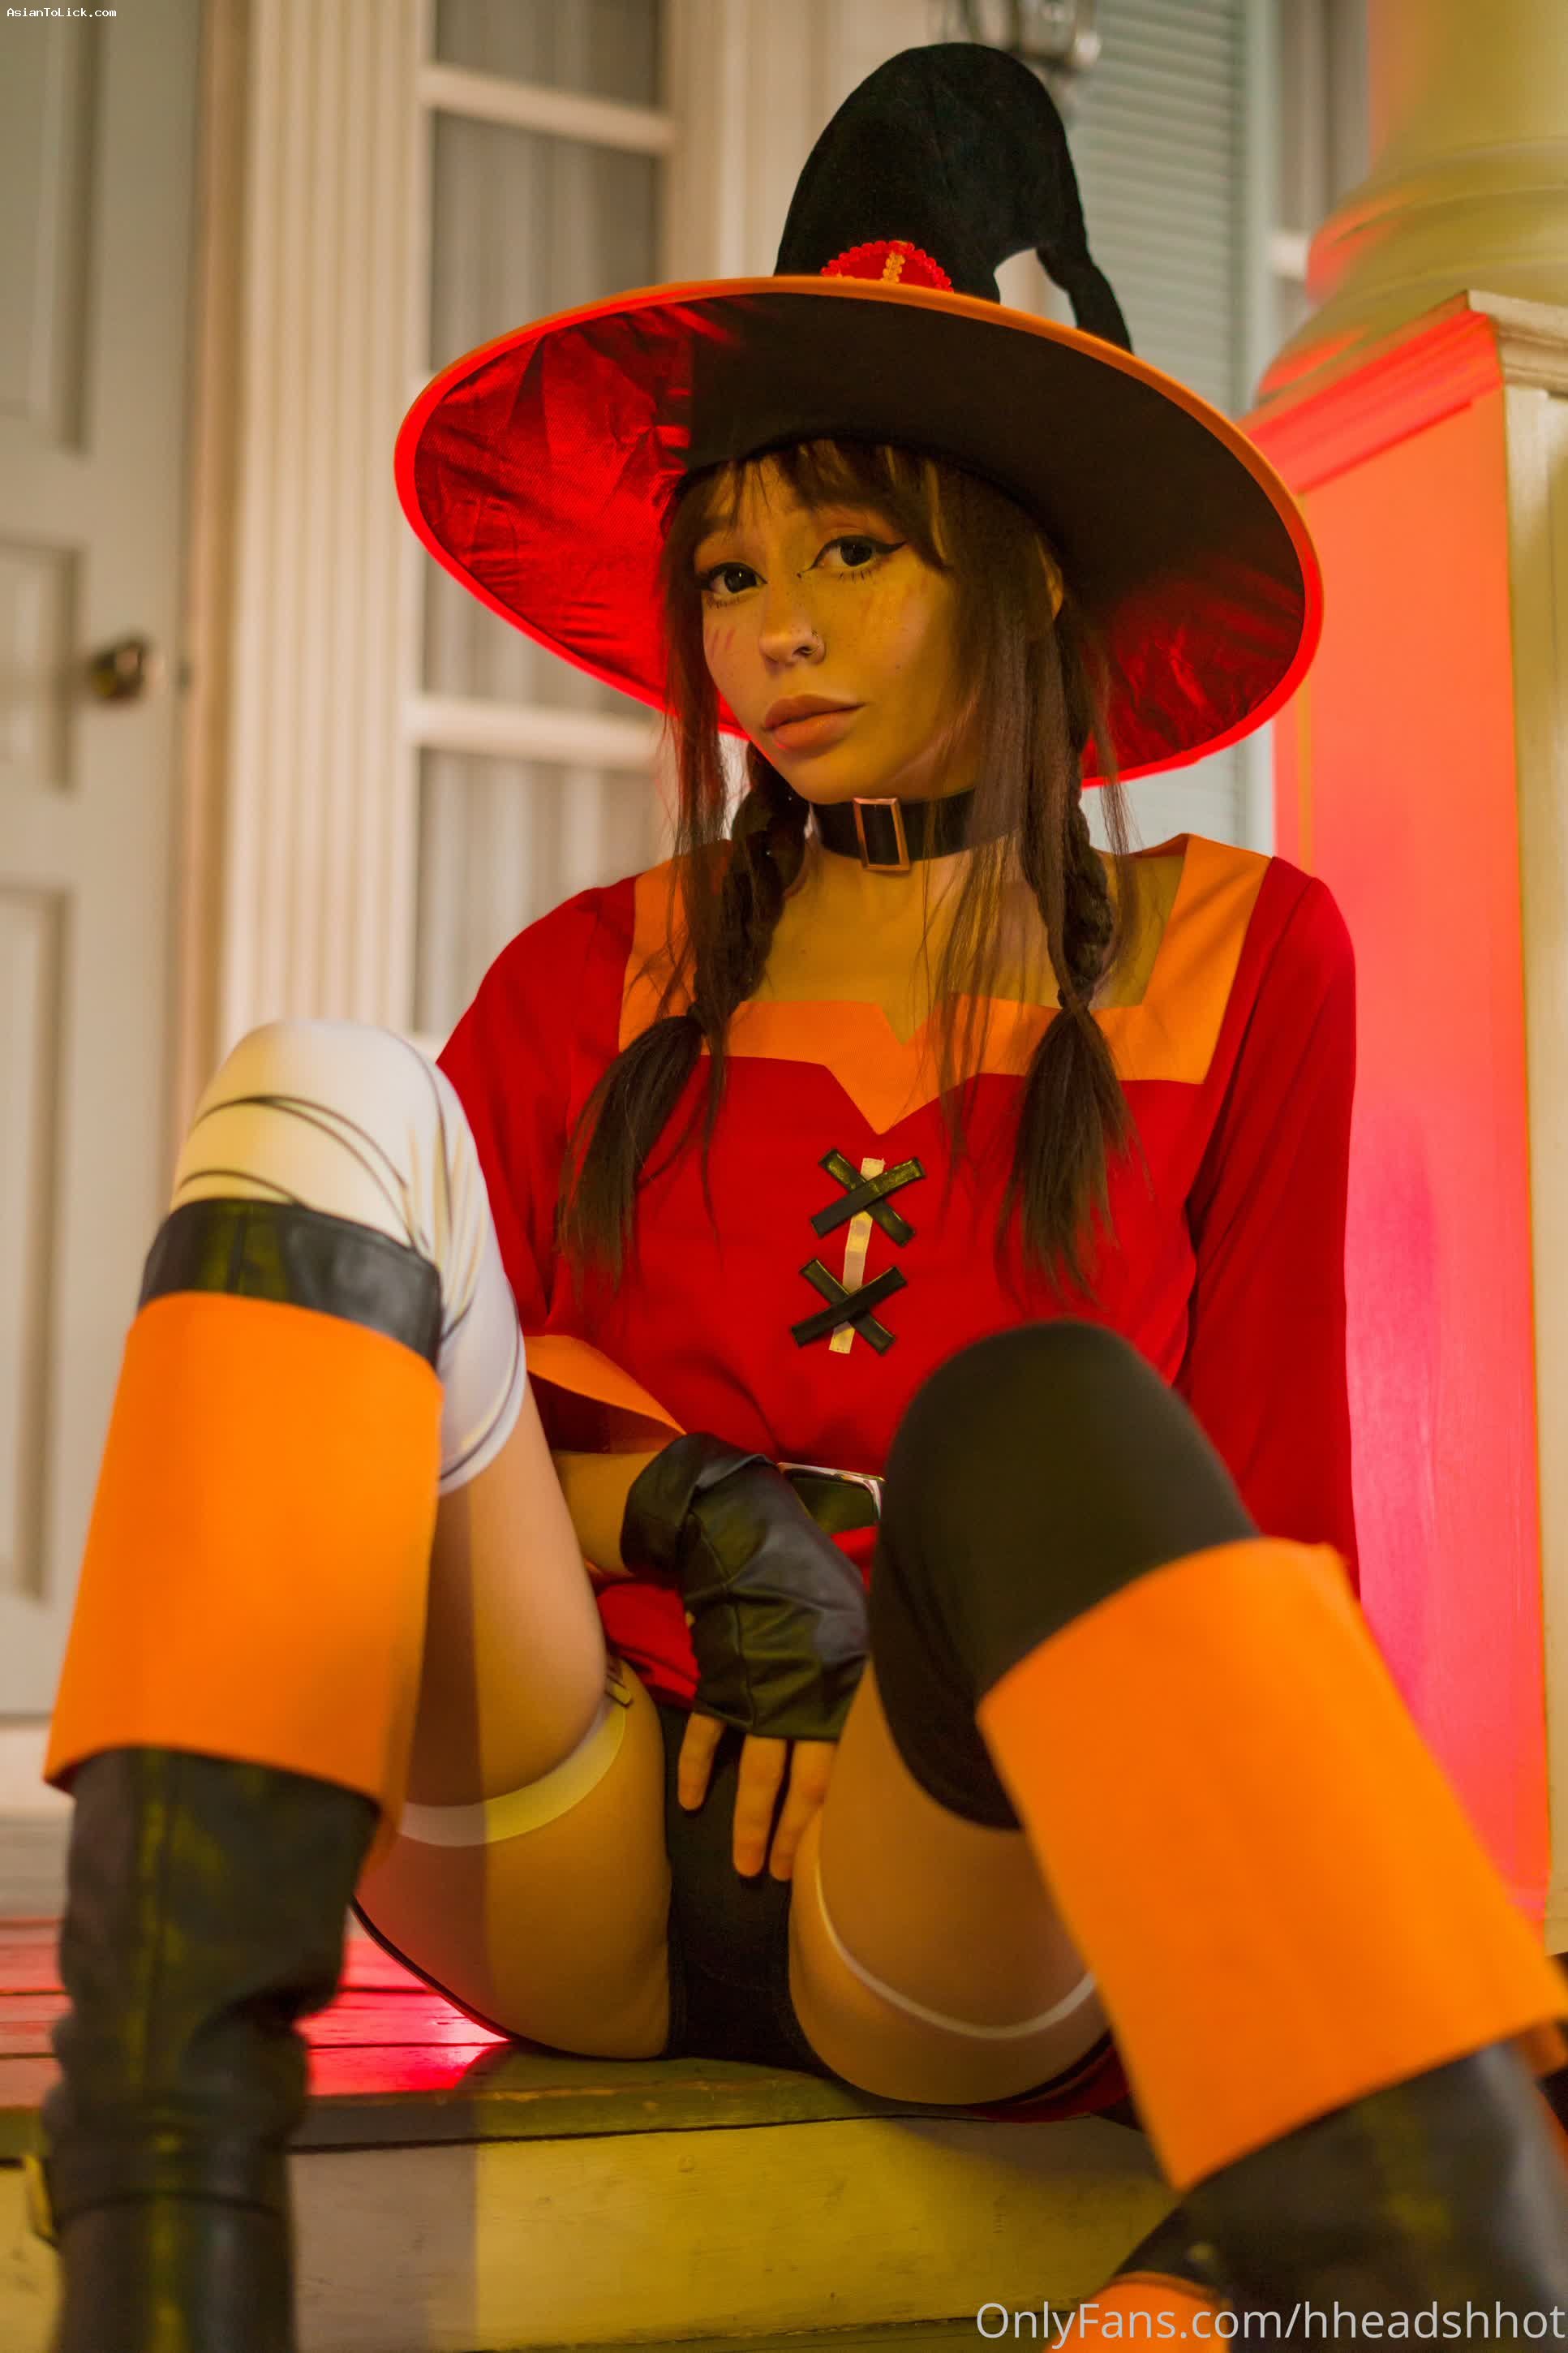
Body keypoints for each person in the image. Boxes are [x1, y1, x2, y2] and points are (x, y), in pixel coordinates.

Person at [34, 43, 1568, 2353]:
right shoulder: (596, 970)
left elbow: (1269, 1521)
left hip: (936, 1900)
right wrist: (692, 1513)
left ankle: (1373, 2211)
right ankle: (162, 2224)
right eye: (735, 569)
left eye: (854, 552)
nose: (772, 631)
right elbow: (399, 1443)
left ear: (1024, 571)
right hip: (564, 1824)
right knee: (313, 1090)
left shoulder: (1249, 960)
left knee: (1041, 1414)